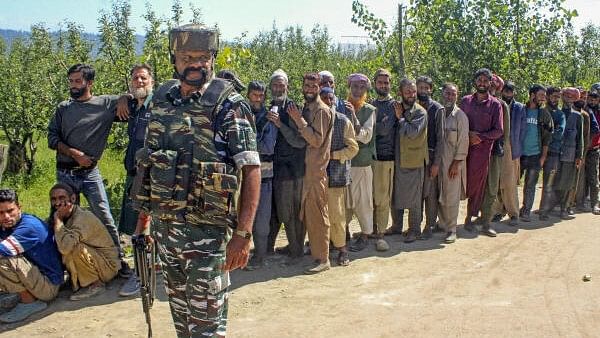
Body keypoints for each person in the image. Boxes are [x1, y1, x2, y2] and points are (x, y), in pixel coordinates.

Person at [130, 24, 261, 337]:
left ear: (213, 59)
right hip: (167, 233)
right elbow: (151, 165)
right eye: (188, 56)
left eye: (203, 57)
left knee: (206, 327)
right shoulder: (162, 99)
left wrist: (243, 234)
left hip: (207, 238)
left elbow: (251, 169)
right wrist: (143, 223)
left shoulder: (229, 105)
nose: (196, 63)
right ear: (174, 59)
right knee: (183, 323)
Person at [47, 63, 130, 277]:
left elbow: (130, 96)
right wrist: (76, 154)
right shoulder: (63, 108)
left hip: (90, 174)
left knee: (104, 215)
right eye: (71, 81)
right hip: (65, 173)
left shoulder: (104, 104)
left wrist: (123, 98)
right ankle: (62, 268)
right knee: (62, 218)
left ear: (89, 83)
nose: (73, 86)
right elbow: (52, 138)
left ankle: (117, 261)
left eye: (77, 81)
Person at [288, 73, 334, 274]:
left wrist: (299, 121)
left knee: (319, 216)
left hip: (316, 173)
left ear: (319, 88)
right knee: (310, 215)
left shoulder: (321, 111)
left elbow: (316, 140)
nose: (309, 89)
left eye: (313, 86)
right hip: (307, 171)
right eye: (306, 85)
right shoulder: (306, 108)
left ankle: (323, 258)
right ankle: (316, 252)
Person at [0, 189, 63, 323]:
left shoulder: (29, 227)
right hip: (34, 276)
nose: (6, 216)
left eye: (10, 211)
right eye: (0, 213)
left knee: (3, 258)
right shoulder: (8, 224)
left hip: (48, 286)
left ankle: (29, 302)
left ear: (19, 207)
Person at [118, 64, 154, 297]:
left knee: (144, 226)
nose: (139, 81)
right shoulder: (133, 106)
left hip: (148, 176)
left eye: (143, 78)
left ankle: (141, 274)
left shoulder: (157, 104)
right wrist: (122, 97)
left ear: (152, 81)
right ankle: (145, 268)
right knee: (134, 225)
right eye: (135, 78)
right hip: (133, 175)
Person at [50, 183, 119, 300]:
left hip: (107, 266)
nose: (57, 203)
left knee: (74, 248)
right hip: (96, 260)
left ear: (72, 199)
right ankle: (75, 279)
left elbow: (65, 247)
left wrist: (58, 222)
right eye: (54, 199)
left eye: (62, 198)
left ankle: (95, 284)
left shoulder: (82, 218)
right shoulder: (65, 216)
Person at [266, 69, 307, 262]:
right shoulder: (271, 107)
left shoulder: (292, 108)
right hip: (277, 167)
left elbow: (300, 140)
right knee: (277, 210)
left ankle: (296, 251)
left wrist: (280, 125)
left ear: (287, 87)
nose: (278, 88)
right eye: (275, 85)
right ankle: (272, 248)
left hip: (293, 168)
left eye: (282, 85)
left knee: (288, 211)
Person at [460, 68, 503, 236]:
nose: (482, 83)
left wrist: (481, 137)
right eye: (480, 80)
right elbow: (459, 123)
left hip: (487, 153)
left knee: (488, 188)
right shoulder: (465, 101)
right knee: (469, 185)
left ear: (490, 83)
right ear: (475, 82)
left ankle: (486, 222)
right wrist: (468, 135)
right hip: (466, 151)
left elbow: (499, 130)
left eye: (486, 81)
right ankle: (468, 218)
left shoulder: (495, 105)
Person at [321, 87, 358, 266]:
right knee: (321, 216)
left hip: (336, 176)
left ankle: (342, 250)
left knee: (337, 216)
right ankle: (323, 250)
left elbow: (353, 148)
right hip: (318, 176)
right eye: (324, 99)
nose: (328, 102)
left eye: (330, 99)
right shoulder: (314, 120)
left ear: (335, 101)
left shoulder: (343, 121)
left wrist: (333, 155)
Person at [431, 83, 469, 243]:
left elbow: (463, 142)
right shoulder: (438, 113)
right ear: (442, 94)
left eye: (453, 94)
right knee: (439, 194)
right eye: (447, 93)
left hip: (453, 164)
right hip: (438, 162)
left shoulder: (460, 116)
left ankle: (452, 229)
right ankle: (442, 223)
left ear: (457, 96)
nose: (450, 97)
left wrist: (456, 163)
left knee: (451, 196)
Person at [392, 78, 429, 243]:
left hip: (414, 160)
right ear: (400, 92)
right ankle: (396, 226)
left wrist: (400, 118)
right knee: (396, 193)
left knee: (415, 198)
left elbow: (413, 132)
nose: (411, 95)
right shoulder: (396, 107)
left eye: (413, 91)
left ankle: (415, 230)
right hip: (398, 159)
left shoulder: (420, 112)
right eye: (407, 92)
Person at [344, 74, 377, 252]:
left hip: (362, 164)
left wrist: (353, 118)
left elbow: (365, 136)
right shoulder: (340, 106)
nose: (357, 91)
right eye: (354, 87)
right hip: (343, 162)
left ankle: (365, 235)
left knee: (363, 200)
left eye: (361, 88)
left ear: (366, 90)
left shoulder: (369, 110)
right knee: (344, 201)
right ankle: (344, 234)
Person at [539, 87, 583, 220]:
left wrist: (579, 156)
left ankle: (564, 209)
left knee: (566, 183)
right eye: (566, 95)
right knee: (550, 182)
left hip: (569, 154)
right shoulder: (555, 113)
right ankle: (545, 209)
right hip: (555, 153)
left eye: (572, 96)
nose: (569, 98)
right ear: (562, 97)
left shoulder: (577, 116)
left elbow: (579, 138)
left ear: (575, 99)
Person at [246, 80, 277, 269]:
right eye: (254, 95)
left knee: (262, 220)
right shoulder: (241, 114)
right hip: (243, 174)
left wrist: (247, 141)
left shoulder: (269, 118)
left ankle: (260, 256)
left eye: (261, 95)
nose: (258, 99)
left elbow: (268, 146)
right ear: (248, 95)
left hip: (264, 175)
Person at [371, 69, 404, 239]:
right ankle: (372, 229)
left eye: (386, 82)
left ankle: (381, 232)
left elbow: (383, 130)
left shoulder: (394, 105)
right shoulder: (371, 103)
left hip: (386, 157)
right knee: (372, 198)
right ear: (374, 83)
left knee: (383, 199)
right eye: (380, 82)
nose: (383, 85)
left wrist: (371, 127)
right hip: (371, 158)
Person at [518, 85, 553, 221]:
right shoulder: (522, 110)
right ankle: (508, 210)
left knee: (530, 185)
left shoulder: (544, 114)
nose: (543, 98)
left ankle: (526, 211)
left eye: (544, 95)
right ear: (532, 95)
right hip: (519, 155)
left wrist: (543, 156)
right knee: (512, 183)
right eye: (541, 95)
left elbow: (547, 137)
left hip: (535, 155)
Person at [493, 81, 526, 223]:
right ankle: (497, 212)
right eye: (505, 91)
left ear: (514, 93)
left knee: (510, 183)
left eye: (510, 91)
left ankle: (513, 213)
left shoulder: (520, 108)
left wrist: (517, 148)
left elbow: (523, 130)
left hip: (512, 149)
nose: (507, 94)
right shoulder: (496, 104)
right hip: (496, 147)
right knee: (496, 182)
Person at [416, 75, 444, 239]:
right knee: (417, 193)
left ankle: (430, 225)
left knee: (431, 193)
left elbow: (441, 138)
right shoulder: (411, 106)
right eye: (421, 87)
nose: (424, 90)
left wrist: (436, 163)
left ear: (431, 90)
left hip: (432, 156)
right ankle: (416, 226)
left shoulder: (437, 109)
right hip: (415, 157)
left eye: (427, 88)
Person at [538, 86, 566, 218]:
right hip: (536, 151)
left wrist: (547, 131)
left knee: (549, 183)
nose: (556, 99)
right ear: (548, 96)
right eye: (554, 96)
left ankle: (544, 211)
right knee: (530, 182)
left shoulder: (560, 115)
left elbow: (559, 133)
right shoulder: (541, 111)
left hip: (553, 153)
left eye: (558, 97)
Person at [583, 90, 600, 214]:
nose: (592, 101)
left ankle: (595, 204)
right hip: (581, 149)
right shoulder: (583, 110)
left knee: (593, 177)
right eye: (590, 99)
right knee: (580, 178)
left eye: (595, 99)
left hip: (594, 149)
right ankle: (579, 201)